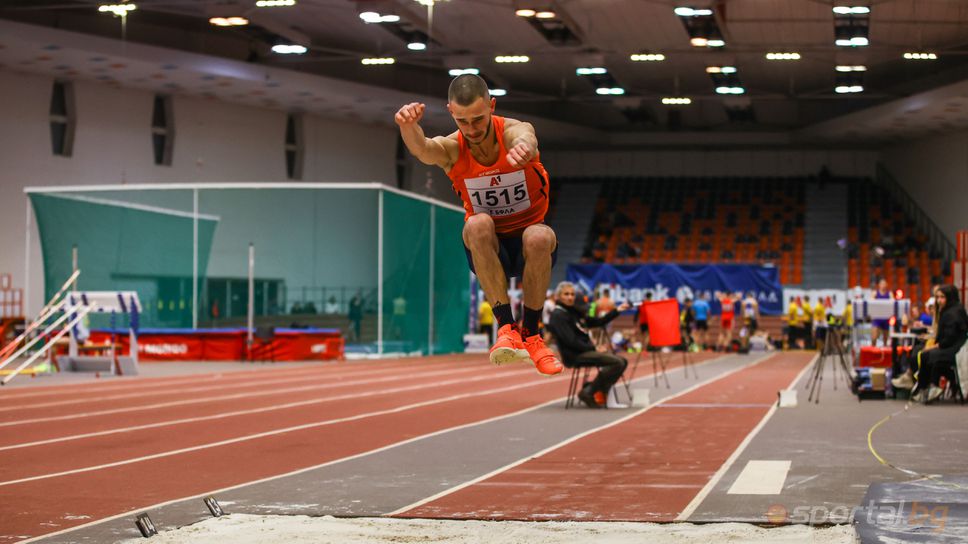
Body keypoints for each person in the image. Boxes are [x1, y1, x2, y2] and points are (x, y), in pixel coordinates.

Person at [395, 74, 562, 375]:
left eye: (478, 119)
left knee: (539, 235)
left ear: (492, 106)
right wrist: (409, 127)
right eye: (463, 121)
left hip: (527, 241)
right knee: (477, 223)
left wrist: (524, 148)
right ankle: (507, 328)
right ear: (451, 112)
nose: (472, 129)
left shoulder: (511, 130)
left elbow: (526, 136)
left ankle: (533, 336)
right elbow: (422, 149)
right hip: (489, 247)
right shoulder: (453, 149)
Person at [546, 281, 629, 408]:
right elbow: (571, 341)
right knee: (617, 362)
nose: (570, 297)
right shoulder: (558, 315)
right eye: (566, 294)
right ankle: (589, 392)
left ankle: (593, 389)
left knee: (623, 361)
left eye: (572, 294)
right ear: (558, 296)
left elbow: (597, 322)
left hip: (584, 351)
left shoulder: (572, 311)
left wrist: (617, 310)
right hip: (574, 355)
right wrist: (594, 347)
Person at [891, 285, 968, 403]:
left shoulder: (953, 313)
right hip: (950, 346)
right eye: (938, 297)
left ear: (950, 297)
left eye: (942, 297)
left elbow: (949, 339)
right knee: (920, 351)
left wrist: (935, 346)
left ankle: (924, 386)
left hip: (956, 350)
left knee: (926, 355)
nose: (939, 300)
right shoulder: (948, 310)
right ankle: (923, 385)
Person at [871, 278, 892, 347]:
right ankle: (873, 350)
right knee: (874, 337)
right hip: (877, 318)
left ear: (886, 285)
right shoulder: (875, 293)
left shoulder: (890, 294)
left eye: (884, 284)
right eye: (882, 284)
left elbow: (893, 303)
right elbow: (871, 303)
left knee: (885, 339)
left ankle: (884, 352)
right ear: (879, 285)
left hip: (886, 318)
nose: (883, 285)